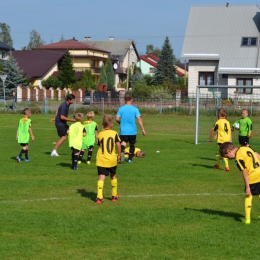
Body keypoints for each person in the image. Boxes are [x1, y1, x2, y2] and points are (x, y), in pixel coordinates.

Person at [220, 142, 260, 224]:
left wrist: (247, 186)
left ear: (229, 151)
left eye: (227, 156)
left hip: (252, 176)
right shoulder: (246, 148)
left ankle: (247, 219)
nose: (229, 158)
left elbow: (244, 172)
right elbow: (258, 156)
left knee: (248, 195)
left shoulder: (238, 157)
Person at [96, 115, 121, 204]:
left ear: (102, 124)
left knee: (101, 177)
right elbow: (118, 145)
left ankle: (99, 197)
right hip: (111, 159)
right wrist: (119, 155)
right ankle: (114, 196)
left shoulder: (100, 134)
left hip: (102, 159)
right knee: (113, 176)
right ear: (112, 125)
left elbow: (97, 143)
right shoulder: (114, 133)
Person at [116, 94, 146, 163]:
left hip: (123, 131)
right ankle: (130, 159)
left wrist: (120, 122)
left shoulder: (121, 109)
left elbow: (117, 119)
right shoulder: (135, 109)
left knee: (123, 144)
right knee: (132, 145)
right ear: (131, 100)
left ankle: (122, 158)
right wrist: (143, 129)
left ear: (124, 100)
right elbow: (139, 119)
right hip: (132, 131)